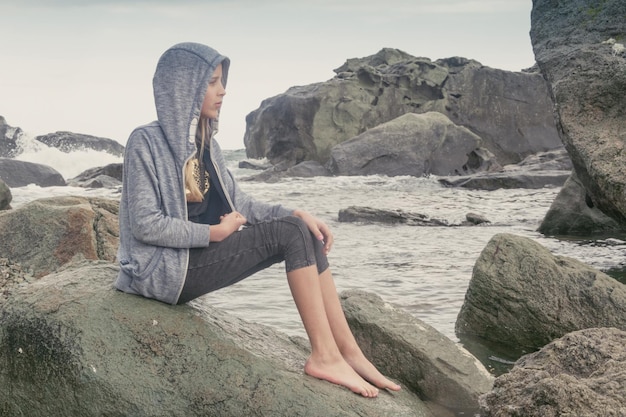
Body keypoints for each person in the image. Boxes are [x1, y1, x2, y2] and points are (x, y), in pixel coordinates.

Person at [115, 42, 400, 398]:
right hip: (163, 271)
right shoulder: (146, 142)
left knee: (302, 230)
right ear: (184, 87)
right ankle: (324, 356)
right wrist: (213, 232)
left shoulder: (207, 145)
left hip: (195, 260)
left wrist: (294, 212)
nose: (222, 91)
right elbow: (145, 224)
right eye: (211, 82)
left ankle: (348, 352)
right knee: (291, 235)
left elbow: (241, 203)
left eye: (222, 81)